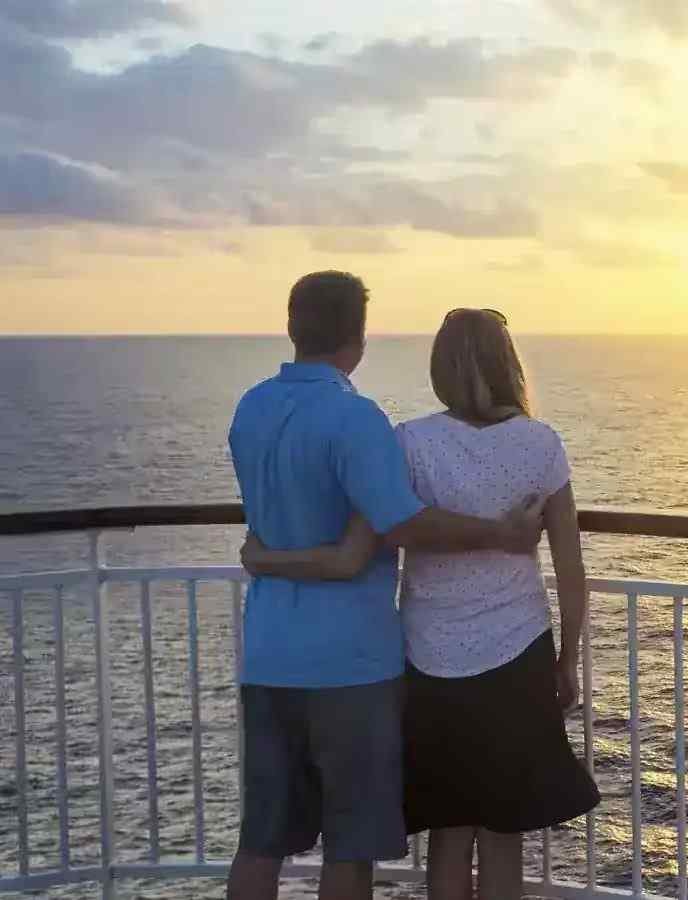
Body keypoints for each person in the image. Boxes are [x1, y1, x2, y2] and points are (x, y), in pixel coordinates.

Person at [241, 306, 599, 900]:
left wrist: (271, 555)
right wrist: (568, 658)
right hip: (519, 649)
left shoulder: (410, 441)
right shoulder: (541, 444)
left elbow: (385, 529)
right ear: (507, 365)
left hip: (430, 657)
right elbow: (569, 566)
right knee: (504, 831)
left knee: (450, 831)